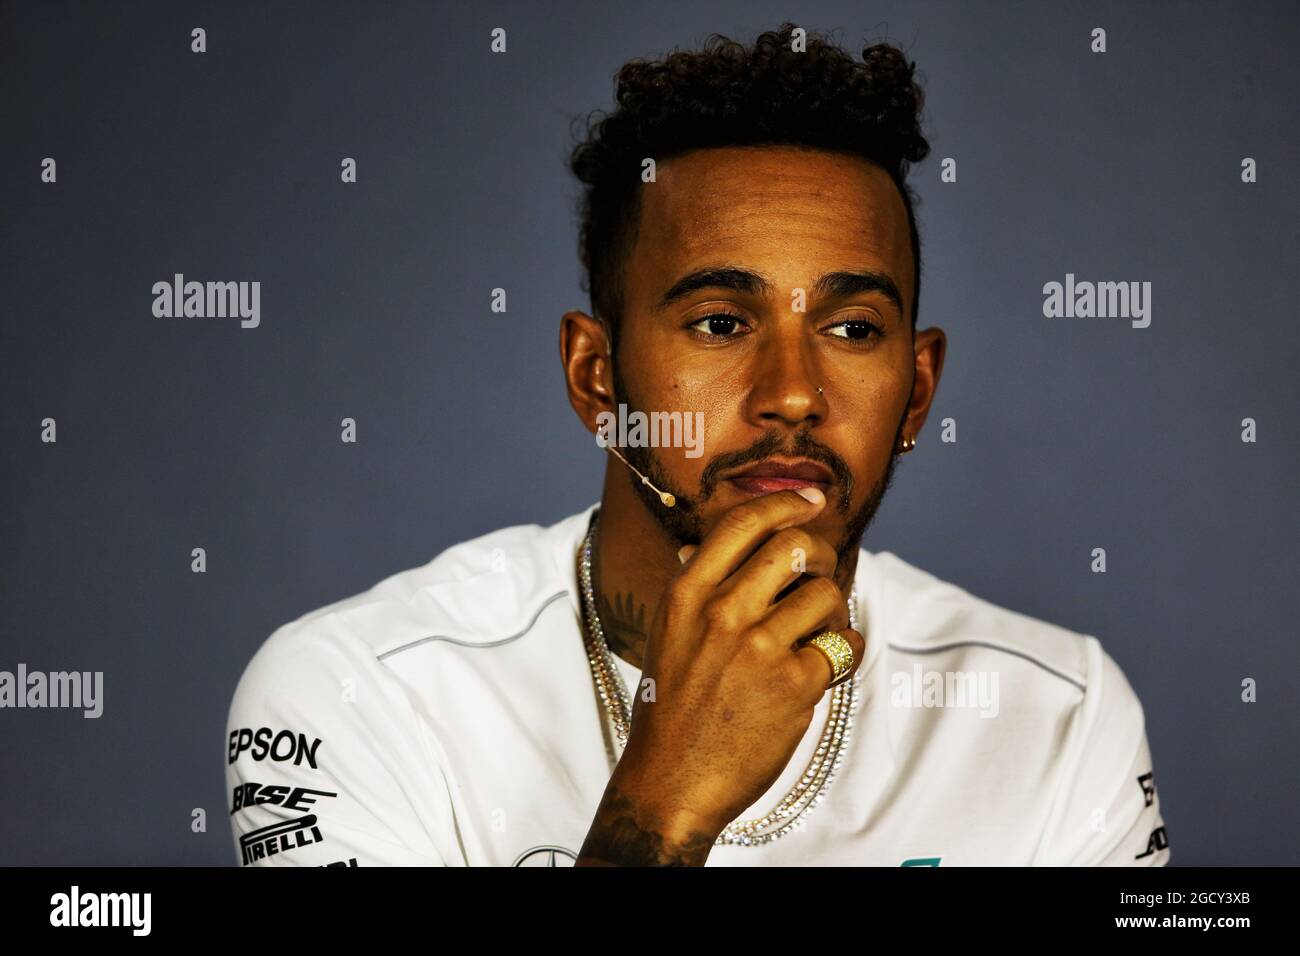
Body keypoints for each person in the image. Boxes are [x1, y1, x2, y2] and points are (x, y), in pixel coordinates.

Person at [226, 22, 1169, 867]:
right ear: (597, 377)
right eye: (720, 323)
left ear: (917, 391)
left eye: (852, 329)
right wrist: (664, 804)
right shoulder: (355, 694)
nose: (794, 392)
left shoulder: (1063, 718)